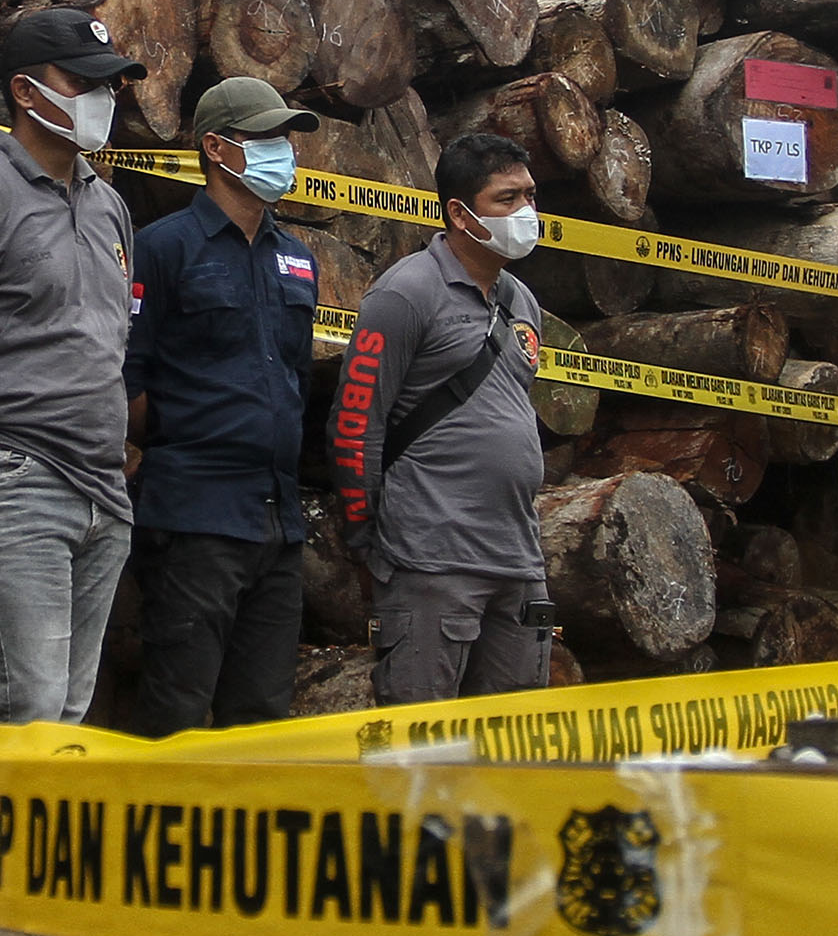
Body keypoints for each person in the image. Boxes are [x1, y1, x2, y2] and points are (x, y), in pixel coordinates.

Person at [0, 6, 142, 727]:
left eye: (110, 84)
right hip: (13, 478)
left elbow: (111, 337)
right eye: (83, 82)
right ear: (24, 90)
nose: (103, 98)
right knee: (27, 710)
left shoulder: (109, 206)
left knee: (66, 714)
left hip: (104, 489)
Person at [116, 77, 325, 735]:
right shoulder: (163, 247)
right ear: (215, 147)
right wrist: (177, 438)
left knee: (261, 719)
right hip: (195, 517)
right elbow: (125, 374)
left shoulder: (297, 259)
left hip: (278, 520)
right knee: (176, 712)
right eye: (265, 137)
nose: (283, 151)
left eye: (285, 137)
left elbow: (295, 378)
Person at [331, 132, 555, 706]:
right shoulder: (406, 293)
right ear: (459, 213)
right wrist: (365, 537)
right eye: (507, 199)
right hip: (431, 560)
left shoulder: (521, 303)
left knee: (511, 741)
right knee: (420, 741)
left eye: (530, 195)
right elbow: (356, 423)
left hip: (517, 558)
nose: (526, 211)